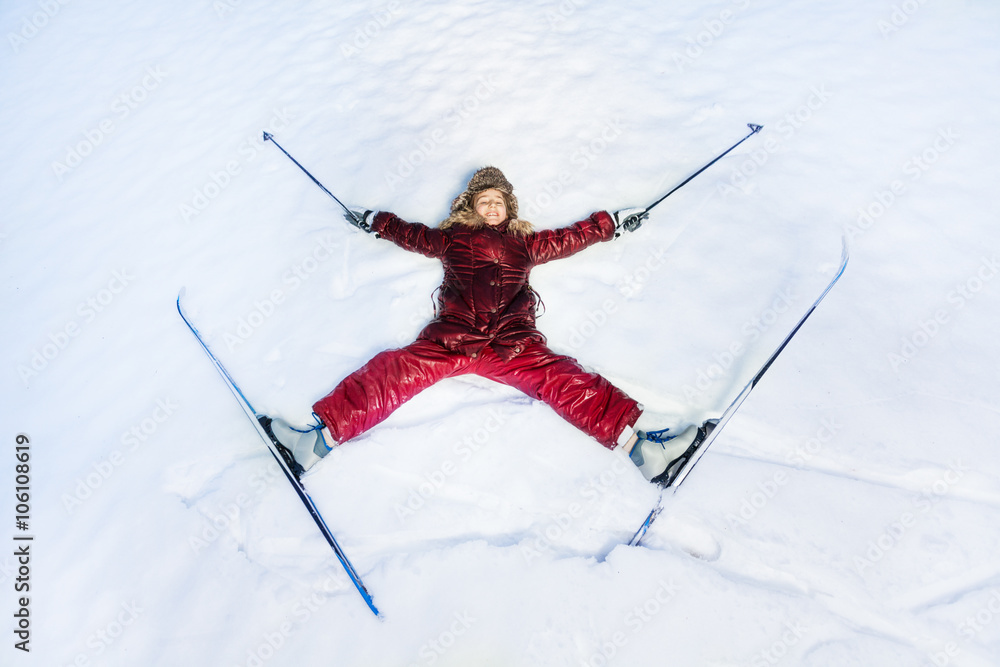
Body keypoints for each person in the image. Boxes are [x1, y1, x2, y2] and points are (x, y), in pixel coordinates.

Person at [263, 167, 708, 485]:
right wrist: (377, 223)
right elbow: (410, 233)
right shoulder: (451, 237)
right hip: (453, 339)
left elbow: (573, 237)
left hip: (513, 345)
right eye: (484, 200)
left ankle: (645, 451)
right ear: (471, 207)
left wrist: (610, 224)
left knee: (568, 380)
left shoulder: (526, 243)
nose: (491, 206)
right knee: (391, 371)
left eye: (499, 201)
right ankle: (316, 443)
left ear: (509, 208)